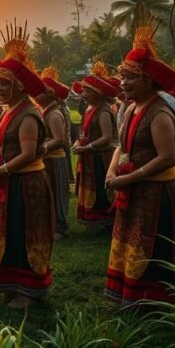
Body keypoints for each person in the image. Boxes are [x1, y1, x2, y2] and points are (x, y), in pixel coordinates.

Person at [104, 23, 175, 305]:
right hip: (136, 187)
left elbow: (165, 158)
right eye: (122, 77)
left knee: (153, 243)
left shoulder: (161, 113)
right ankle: (130, 292)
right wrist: (112, 169)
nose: (123, 84)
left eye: (130, 78)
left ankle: (155, 301)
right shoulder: (131, 108)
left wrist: (128, 178)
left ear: (150, 81)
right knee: (132, 239)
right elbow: (122, 146)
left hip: (157, 192)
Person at [0, 21, 54, 309]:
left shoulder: (28, 115)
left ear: (20, 86)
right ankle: (9, 282)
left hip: (25, 186)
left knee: (23, 233)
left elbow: (28, 153)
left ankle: (27, 291)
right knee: (7, 232)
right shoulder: (8, 112)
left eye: (4, 84)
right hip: (8, 182)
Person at [71, 62, 119, 228]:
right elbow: (84, 131)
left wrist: (87, 147)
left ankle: (105, 221)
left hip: (100, 157)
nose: (83, 94)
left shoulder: (104, 111)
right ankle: (93, 219)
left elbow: (106, 137)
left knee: (100, 188)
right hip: (89, 155)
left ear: (98, 93)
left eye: (87, 91)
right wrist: (78, 141)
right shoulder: (91, 108)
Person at [37, 68, 71, 239]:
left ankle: (60, 226)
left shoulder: (54, 114)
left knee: (57, 192)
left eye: (40, 92)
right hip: (47, 159)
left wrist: (41, 147)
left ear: (50, 95)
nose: (35, 96)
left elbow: (60, 140)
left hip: (55, 159)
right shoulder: (45, 111)